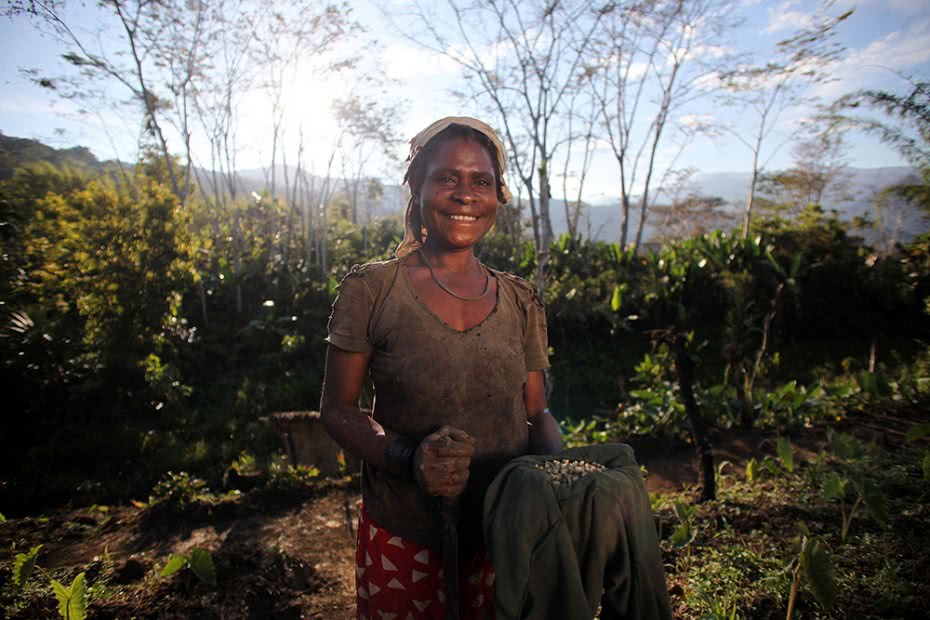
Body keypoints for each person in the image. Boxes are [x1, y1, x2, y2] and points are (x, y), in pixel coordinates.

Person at [320, 116, 563, 619]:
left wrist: (556, 480)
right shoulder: (373, 290)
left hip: (504, 536)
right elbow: (337, 409)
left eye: (482, 181)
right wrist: (410, 458)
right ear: (418, 189)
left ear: (499, 195)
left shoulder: (520, 300)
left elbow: (536, 414)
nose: (465, 194)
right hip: (404, 537)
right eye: (447, 177)